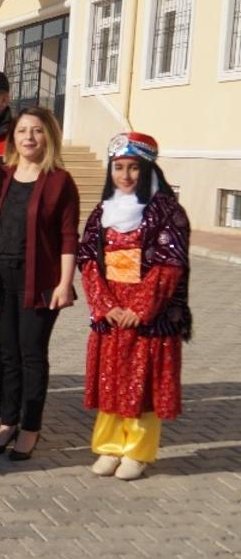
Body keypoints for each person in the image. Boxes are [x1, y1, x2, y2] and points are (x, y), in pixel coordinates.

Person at [77, 133, 191, 481]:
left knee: (140, 385)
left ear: (147, 169)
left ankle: (137, 451)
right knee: (110, 382)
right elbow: (89, 260)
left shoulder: (167, 212)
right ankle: (109, 446)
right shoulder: (102, 212)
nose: (125, 176)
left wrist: (139, 308)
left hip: (147, 317)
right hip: (111, 314)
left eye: (133, 168)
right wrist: (105, 304)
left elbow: (170, 264)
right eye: (119, 168)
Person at [0, 107, 79, 461]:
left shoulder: (59, 181)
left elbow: (69, 236)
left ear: (48, 136)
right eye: (22, 130)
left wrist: (65, 284)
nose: (29, 137)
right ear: (13, 138)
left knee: (32, 354)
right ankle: (7, 421)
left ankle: (30, 426)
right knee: (6, 354)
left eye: (37, 131)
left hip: (39, 279)